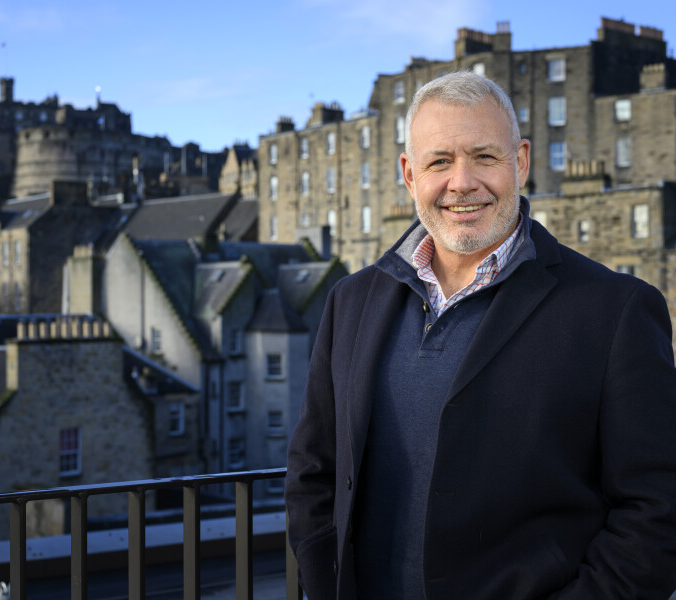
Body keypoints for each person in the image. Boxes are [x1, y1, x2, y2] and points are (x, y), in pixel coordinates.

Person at [285, 71, 676, 599]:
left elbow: (657, 511)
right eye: (440, 161)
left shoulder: (616, 309)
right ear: (408, 174)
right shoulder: (351, 302)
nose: (462, 181)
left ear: (521, 162)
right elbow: (314, 470)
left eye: (485, 157)